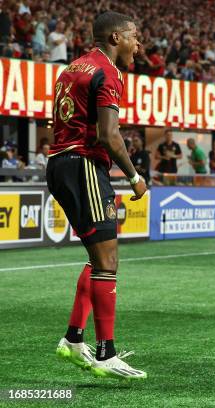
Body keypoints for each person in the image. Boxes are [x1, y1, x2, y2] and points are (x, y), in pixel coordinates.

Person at [46, 11, 147, 380]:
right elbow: (109, 134)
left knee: (97, 256)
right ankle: (106, 354)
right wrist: (135, 176)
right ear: (116, 37)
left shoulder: (73, 67)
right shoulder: (108, 72)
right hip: (84, 165)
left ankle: (73, 339)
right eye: (135, 36)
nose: (139, 44)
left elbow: (54, 122)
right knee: (108, 262)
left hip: (60, 164)